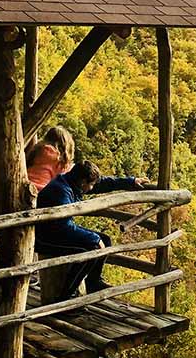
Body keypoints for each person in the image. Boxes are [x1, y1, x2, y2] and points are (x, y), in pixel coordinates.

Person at [34, 160, 149, 301]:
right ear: (83, 182)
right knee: (90, 249)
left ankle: (93, 282)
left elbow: (104, 183)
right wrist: (94, 238)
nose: (93, 187)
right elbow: (63, 226)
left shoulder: (72, 182)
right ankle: (66, 296)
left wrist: (130, 181)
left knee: (105, 240)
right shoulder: (61, 191)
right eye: (91, 184)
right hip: (47, 237)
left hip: (58, 230)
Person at [27, 126, 75, 192]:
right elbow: (64, 176)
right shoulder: (57, 158)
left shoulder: (36, 150)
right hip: (41, 191)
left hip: (26, 185)